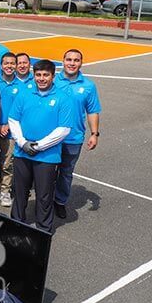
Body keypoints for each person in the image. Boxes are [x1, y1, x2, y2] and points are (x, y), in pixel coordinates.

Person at [8, 59, 72, 233]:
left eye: (45, 75)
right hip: (22, 152)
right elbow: (13, 119)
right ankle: (17, 222)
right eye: (38, 75)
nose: (41, 78)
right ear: (34, 75)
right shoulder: (24, 94)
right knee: (20, 191)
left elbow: (63, 129)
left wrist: (39, 146)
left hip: (47, 156)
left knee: (44, 195)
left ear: (53, 76)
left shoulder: (63, 98)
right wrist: (22, 142)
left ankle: (43, 228)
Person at [52, 49, 101, 219]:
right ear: (63, 61)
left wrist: (95, 134)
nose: (72, 63)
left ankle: (59, 202)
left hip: (74, 138)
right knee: (47, 171)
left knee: (66, 172)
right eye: (69, 59)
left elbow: (93, 111)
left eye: (76, 60)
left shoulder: (88, 86)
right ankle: (44, 201)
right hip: (51, 138)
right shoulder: (52, 80)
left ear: (81, 63)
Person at [0, 52, 21, 207]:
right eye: (6, 63)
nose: (9, 66)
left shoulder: (22, 87)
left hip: (11, 132)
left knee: (7, 163)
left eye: (12, 63)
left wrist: (8, 126)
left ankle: (5, 191)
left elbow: (21, 110)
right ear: (1, 66)